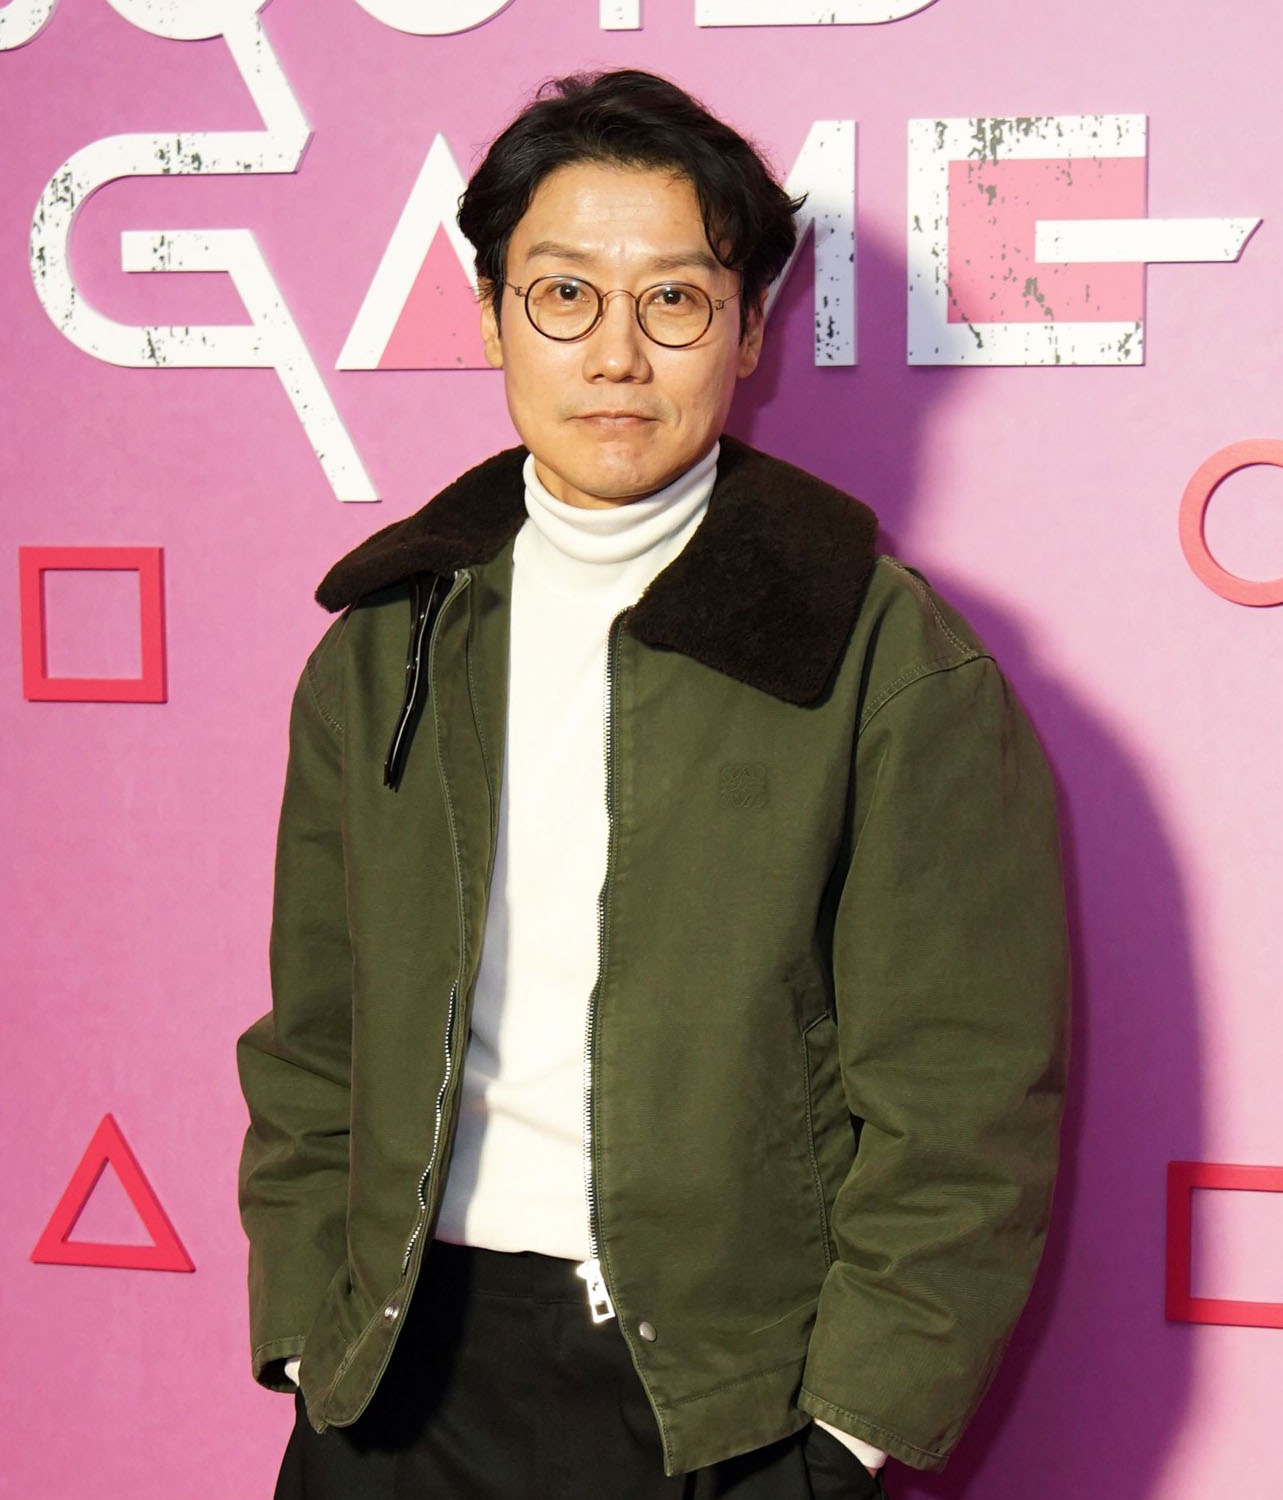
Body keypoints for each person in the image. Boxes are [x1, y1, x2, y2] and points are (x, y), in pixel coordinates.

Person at [237, 68, 1069, 1500]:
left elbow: (965, 1100)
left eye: (673, 299)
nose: (616, 355)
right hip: (391, 1375)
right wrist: (313, 1331)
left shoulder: (882, 654)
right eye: (564, 295)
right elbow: (317, 1034)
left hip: (720, 1402)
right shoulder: (388, 639)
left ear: (746, 330)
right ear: (493, 314)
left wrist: (846, 1434)